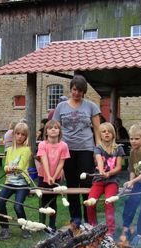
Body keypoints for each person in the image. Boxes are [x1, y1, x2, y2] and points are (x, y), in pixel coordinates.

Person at [53, 75, 101, 228]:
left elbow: (98, 130)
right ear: (71, 89)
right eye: (74, 90)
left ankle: (89, 218)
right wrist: (56, 149)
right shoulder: (61, 107)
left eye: (80, 91)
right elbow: (55, 128)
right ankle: (75, 218)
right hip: (67, 150)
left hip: (86, 148)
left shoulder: (91, 106)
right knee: (72, 185)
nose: (76, 93)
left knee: (87, 184)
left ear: (84, 92)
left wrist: (97, 150)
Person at [85, 122, 124, 237]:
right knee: (90, 202)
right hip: (99, 180)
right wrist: (102, 171)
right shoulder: (98, 148)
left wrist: (109, 173)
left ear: (113, 134)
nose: (106, 133)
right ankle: (93, 227)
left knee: (108, 202)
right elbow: (99, 160)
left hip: (112, 181)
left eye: (109, 131)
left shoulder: (119, 149)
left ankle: (110, 230)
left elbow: (118, 167)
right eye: (103, 131)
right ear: (100, 135)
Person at [0, 122, 33, 240]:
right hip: (10, 182)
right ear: (13, 135)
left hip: (22, 183)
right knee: (0, 201)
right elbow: (5, 165)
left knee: (17, 206)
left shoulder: (26, 150)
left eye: (23, 135)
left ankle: (25, 228)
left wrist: (13, 168)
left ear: (26, 137)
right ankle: (5, 228)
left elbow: (21, 166)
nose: (20, 137)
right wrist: (6, 168)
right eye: (17, 134)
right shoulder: (9, 150)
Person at [36, 120, 70, 232]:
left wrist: (54, 176)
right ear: (46, 131)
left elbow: (61, 163)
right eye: (50, 128)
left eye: (56, 127)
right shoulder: (42, 144)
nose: (53, 129)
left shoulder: (63, 145)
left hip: (57, 177)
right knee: (43, 201)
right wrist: (48, 175)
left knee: (53, 201)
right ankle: (41, 225)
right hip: (43, 176)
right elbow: (44, 160)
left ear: (59, 131)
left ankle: (52, 225)